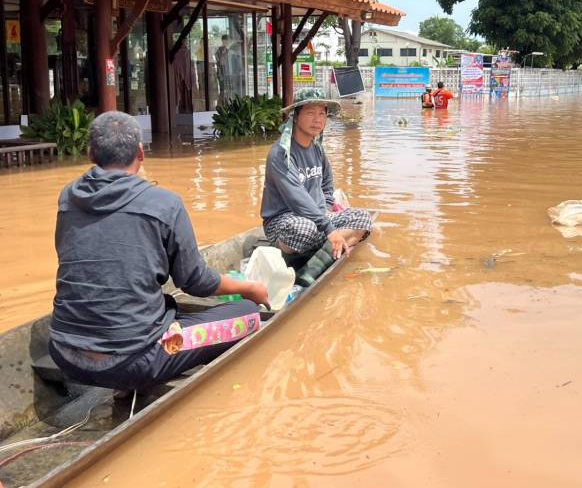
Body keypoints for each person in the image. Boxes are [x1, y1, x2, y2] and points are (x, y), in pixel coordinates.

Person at [49, 111, 270, 392]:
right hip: (136, 361)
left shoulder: (67, 198)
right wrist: (249, 288)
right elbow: (195, 282)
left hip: (64, 353)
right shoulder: (165, 204)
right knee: (247, 314)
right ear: (141, 154)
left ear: (91, 154)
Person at [261, 88, 372, 262]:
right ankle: (324, 251)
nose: (317, 119)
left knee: (363, 217)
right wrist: (329, 229)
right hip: (285, 221)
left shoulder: (317, 149)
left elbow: (327, 182)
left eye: (322, 113)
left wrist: (326, 207)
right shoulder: (281, 154)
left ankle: (320, 257)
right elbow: (297, 198)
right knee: (305, 230)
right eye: (310, 113)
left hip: (318, 217)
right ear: (295, 117)